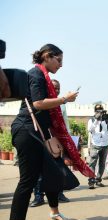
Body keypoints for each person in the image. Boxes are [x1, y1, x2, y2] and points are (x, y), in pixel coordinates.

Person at [9, 44, 94, 220]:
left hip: (40, 132)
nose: (61, 65)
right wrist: (63, 99)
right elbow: (38, 103)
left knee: (53, 173)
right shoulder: (36, 75)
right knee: (28, 180)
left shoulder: (43, 75)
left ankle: (54, 212)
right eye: (59, 60)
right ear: (47, 56)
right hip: (28, 131)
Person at [29, 79, 70, 207]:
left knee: (59, 168)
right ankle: (38, 196)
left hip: (55, 141)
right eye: (54, 87)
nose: (56, 90)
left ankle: (59, 194)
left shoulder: (61, 104)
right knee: (39, 169)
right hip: (40, 139)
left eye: (58, 88)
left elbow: (65, 123)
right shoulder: (40, 102)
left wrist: (66, 140)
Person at [87, 104, 108, 189]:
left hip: (104, 145)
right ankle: (91, 181)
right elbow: (90, 129)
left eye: (101, 110)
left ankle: (98, 179)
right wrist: (96, 119)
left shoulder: (105, 120)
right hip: (95, 144)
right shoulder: (91, 120)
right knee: (92, 164)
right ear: (95, 111)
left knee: (102, 164)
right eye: (97, 110)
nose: (99, 112)